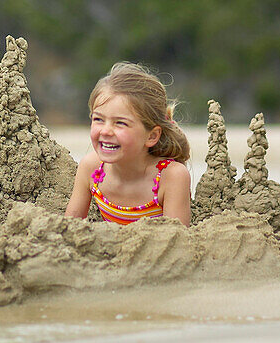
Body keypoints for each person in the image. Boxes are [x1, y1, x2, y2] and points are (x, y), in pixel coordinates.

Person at [64, 62, 192, 226]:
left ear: (151, 136)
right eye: (98, 119)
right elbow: (68, 230)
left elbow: (177, 243)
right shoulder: (91, 168)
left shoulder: (171, 177)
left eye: (120, 123)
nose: (105, 131)